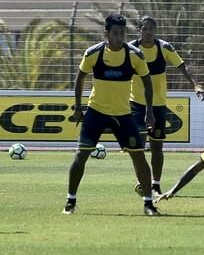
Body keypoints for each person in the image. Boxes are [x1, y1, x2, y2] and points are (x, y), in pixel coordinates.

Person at [62, 13, 159, 216]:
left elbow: (147, 81)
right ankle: (70, 201)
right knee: (81, 155)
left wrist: (149, 111)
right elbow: (80, 77)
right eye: (115, 33)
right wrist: (78, 108)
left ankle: (149, 203)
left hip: (124, 114)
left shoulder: (134, 55)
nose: (119, 37)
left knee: (139, 156)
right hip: (96, 112)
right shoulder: (93, 53)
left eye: (122, 33)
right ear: (106, 33)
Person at [131, 16, 204, 196]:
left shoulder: (164, 48)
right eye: (145, 29)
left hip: (158, 104)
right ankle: (142, 181)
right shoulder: (132, 49)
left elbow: (182, 66)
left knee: (157, 146)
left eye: (151, 29)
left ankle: (155, 184)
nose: (148, 32)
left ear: (155, 31)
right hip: (136, 103)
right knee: (139, 145)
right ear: (139, 30)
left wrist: (195, 85)